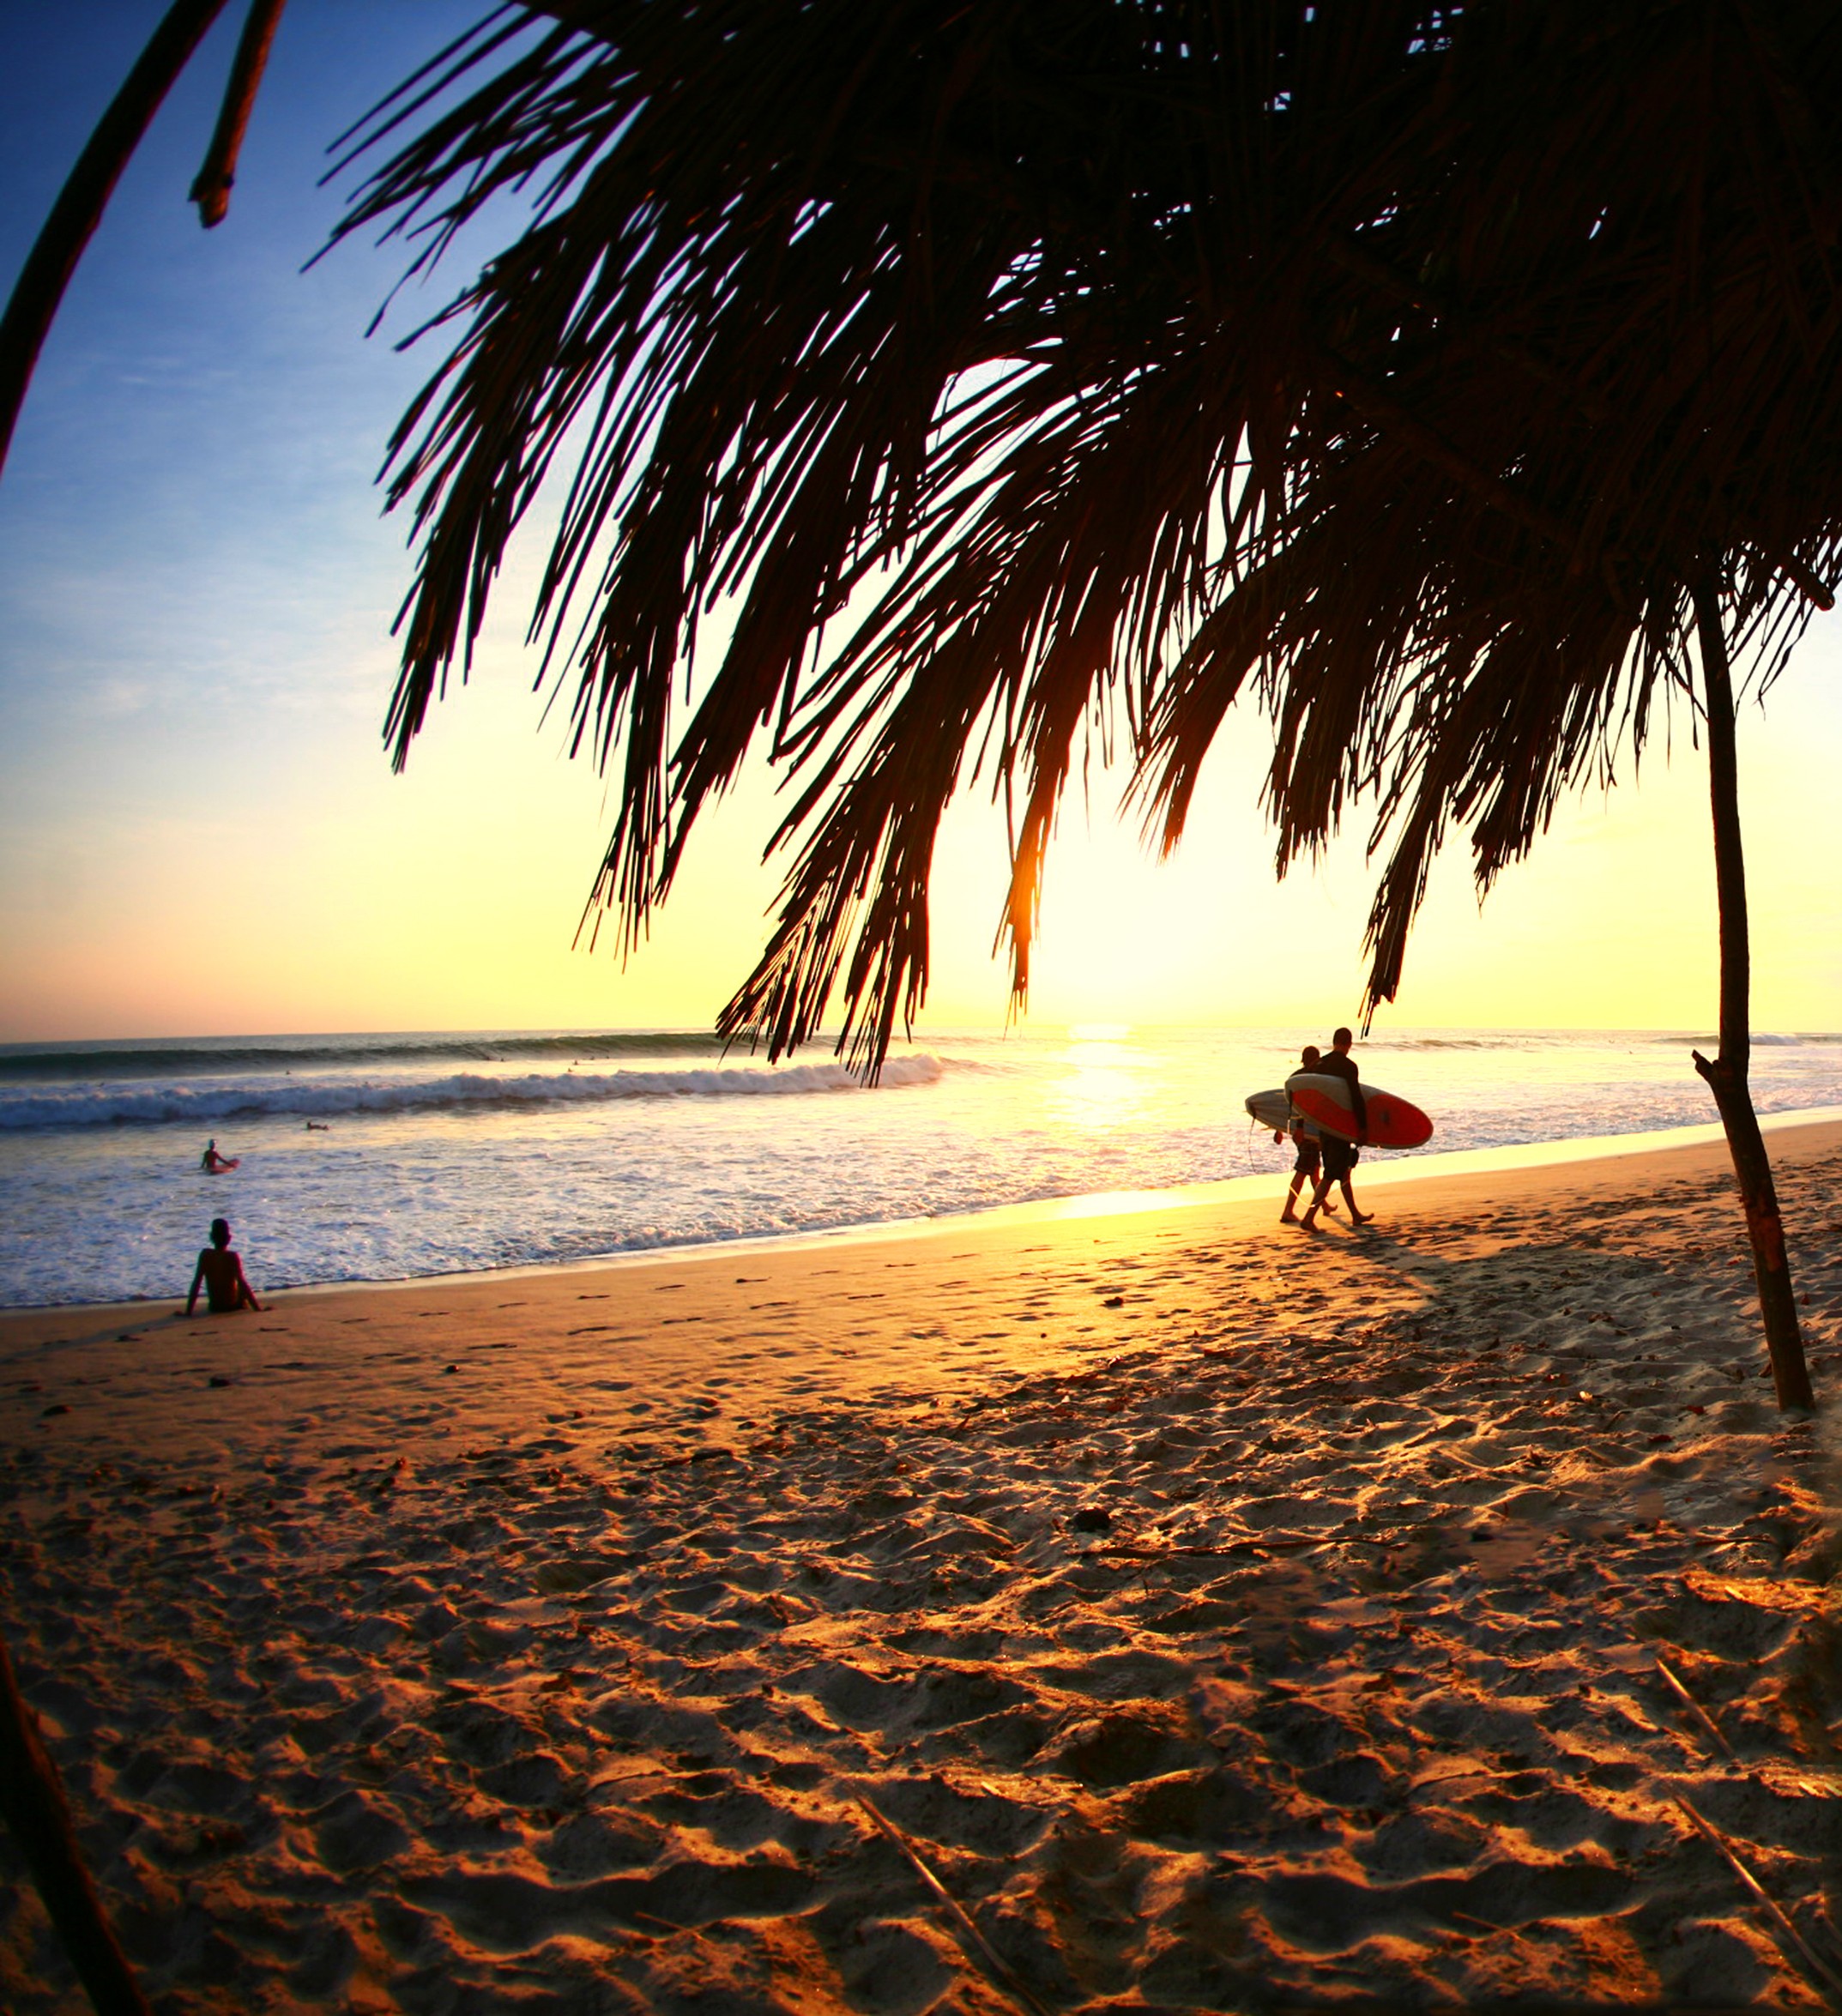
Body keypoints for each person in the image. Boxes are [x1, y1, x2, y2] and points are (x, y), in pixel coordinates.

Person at [1300, 1027, 1373, 1229]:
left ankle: (1355, 1215)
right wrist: (1363, 1127)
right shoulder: (1349, 1066)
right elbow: (1355, 1098)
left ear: (1334, 1042)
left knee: (1343, 1172)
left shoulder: (1321, 1063)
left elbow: (1302, 1082)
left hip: (1324, 1126)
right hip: (1341, 1127)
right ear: (1349, 1044)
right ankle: (1308, 1218)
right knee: (1332, 1174)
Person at [1279, 1045, 1336, 1222]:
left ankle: (1324, 1205)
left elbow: (1283, 1105)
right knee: (1303, 1171)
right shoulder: (1308, 1079)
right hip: (1306, 1132)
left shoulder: (1294, 1077)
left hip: (1302, 1131)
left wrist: (1279, 1129)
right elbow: (1302, 1106)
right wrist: (1301, 1128)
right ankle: (1287, 1211)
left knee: (1313, 1171)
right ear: (1316, 1059)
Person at [186, 1218, 264, 1314]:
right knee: (241, 1284)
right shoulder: (232, 1256)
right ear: (229, 1238)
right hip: (231, 1306)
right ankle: (245, 1304)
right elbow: (242, 1283)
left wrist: (188, 1312)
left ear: (211, 1237)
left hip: (214, 1307)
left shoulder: (205, 1255)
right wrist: (257, 1309)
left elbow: (197, 1283)